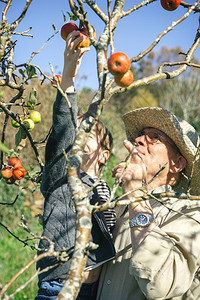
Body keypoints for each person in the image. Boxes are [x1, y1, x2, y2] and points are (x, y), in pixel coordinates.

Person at [35, 31, 116, 300]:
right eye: (77, 133)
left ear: (104, 155)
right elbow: (64, 132)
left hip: (98, 292)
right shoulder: (60, 175)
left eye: (88, 135)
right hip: (58, 289)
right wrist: (68, 79)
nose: (79, 139)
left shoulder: (109, 191)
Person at [96, 106, 200, 300]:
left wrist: (136, 195)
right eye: (140, 135)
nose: (138, 140)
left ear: (177, 164)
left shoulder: (190, 213)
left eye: (155, 137)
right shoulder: (116, 206)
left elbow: (161, 284)